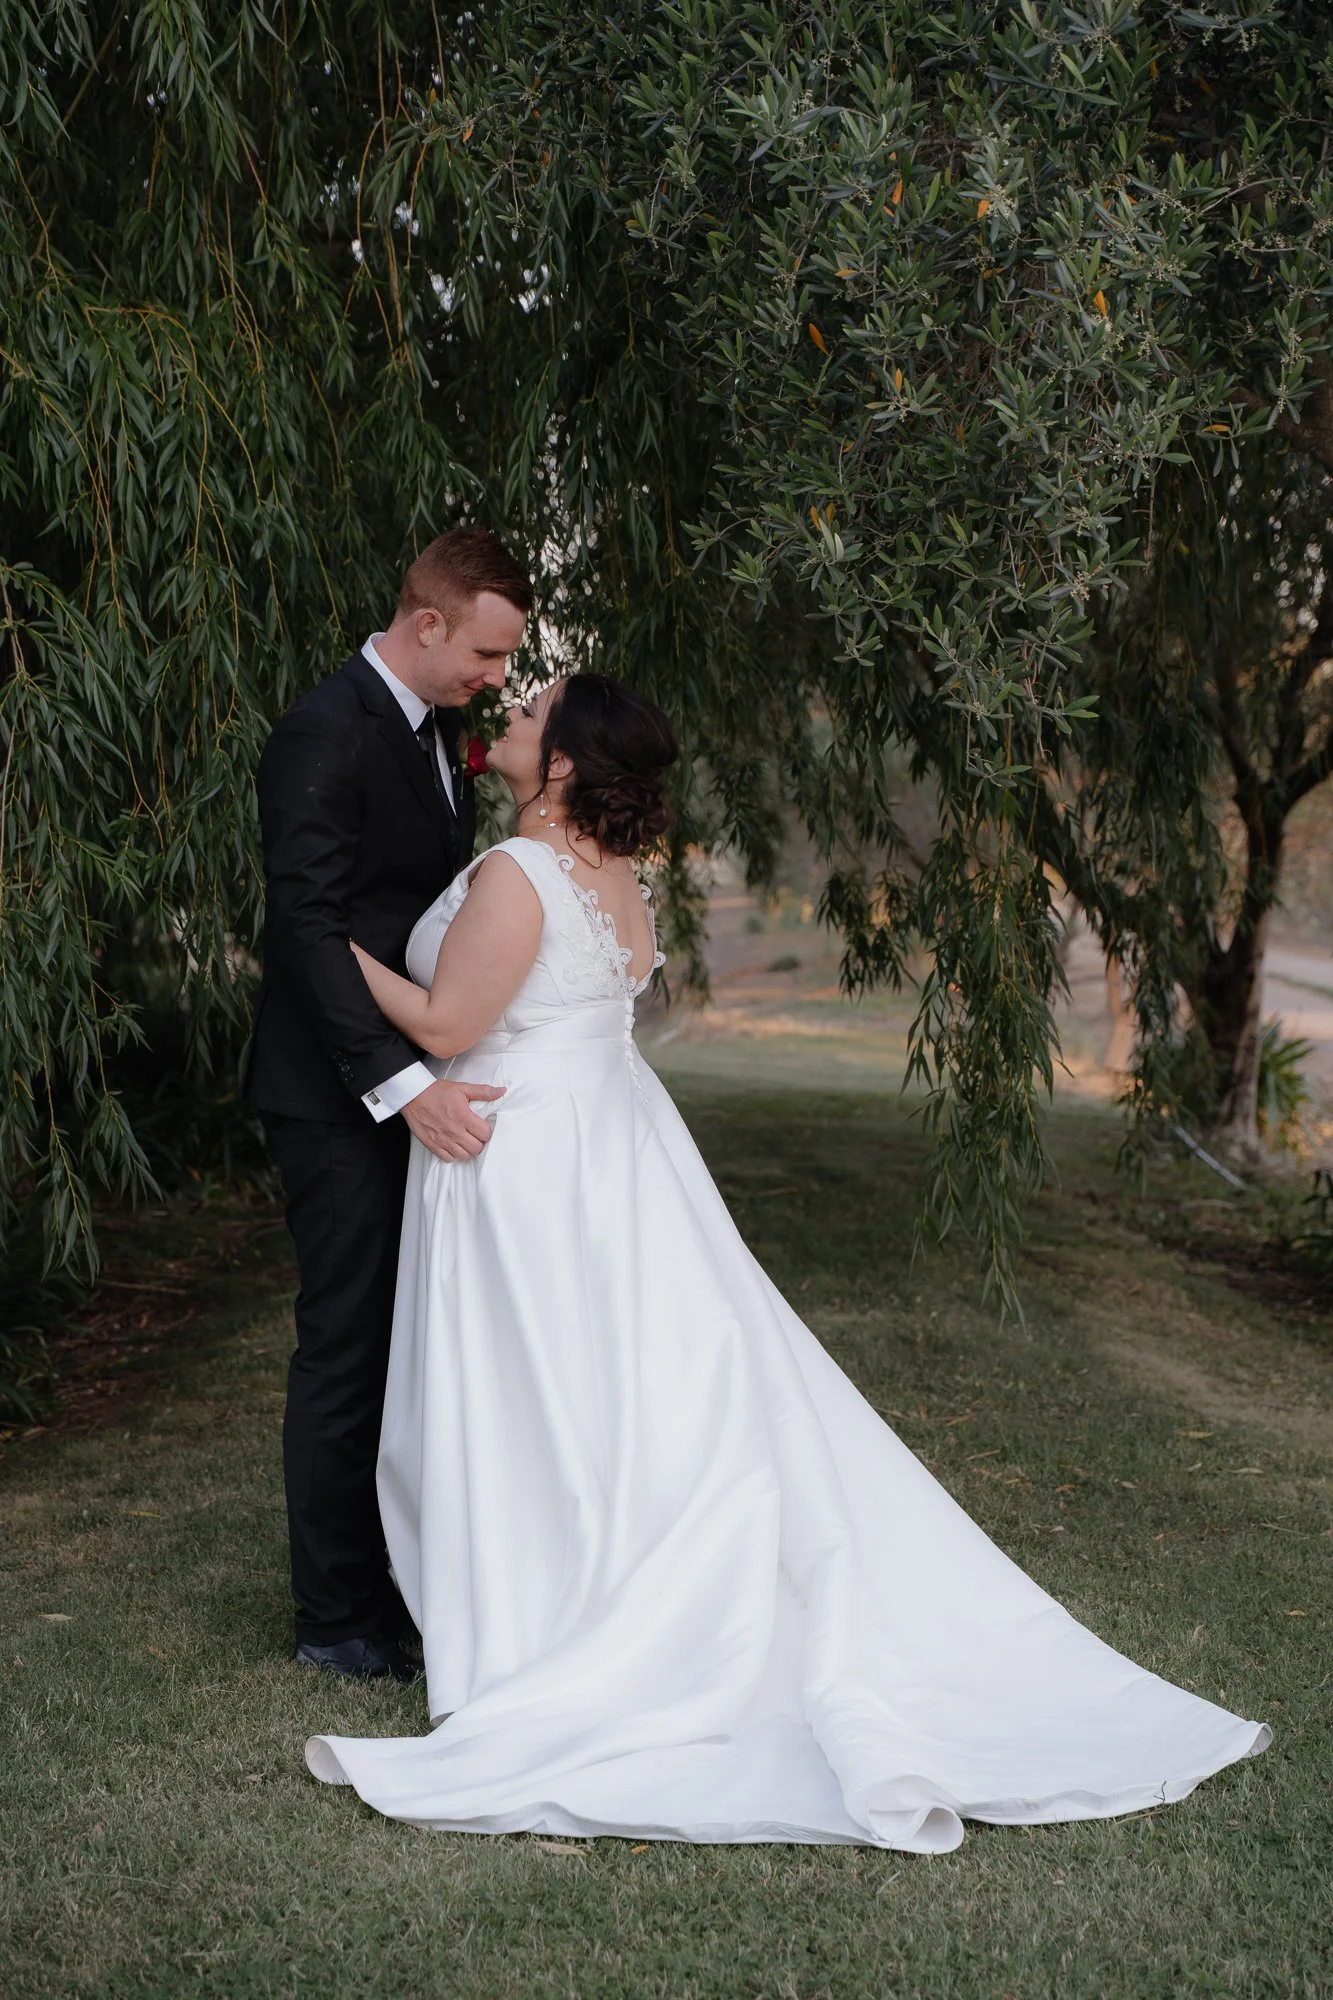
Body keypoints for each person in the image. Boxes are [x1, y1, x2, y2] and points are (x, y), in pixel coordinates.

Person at [305, 673, 1269, 1853]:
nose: (505, 712)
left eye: (528, 709)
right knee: (602, 1390)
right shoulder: (615, 879)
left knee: (539, 1389)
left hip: (530, 1156)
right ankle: (568, 1580)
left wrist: (328, 945)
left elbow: (450, 1028)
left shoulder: (518, 874)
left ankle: (547, 1610)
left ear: (559, 764)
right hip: (609, 1144)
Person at [245, 527, 532, 1681]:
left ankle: (398, 1585)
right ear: (427, 622)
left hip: (403, 1072)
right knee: (347, 1344)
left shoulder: (437, 731)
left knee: (410, 1341)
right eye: (487, 652)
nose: (497, 678)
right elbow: (304, 927)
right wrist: (404, 1085)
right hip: (330, 1094)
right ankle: (335, 1619)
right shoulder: (323, 731)